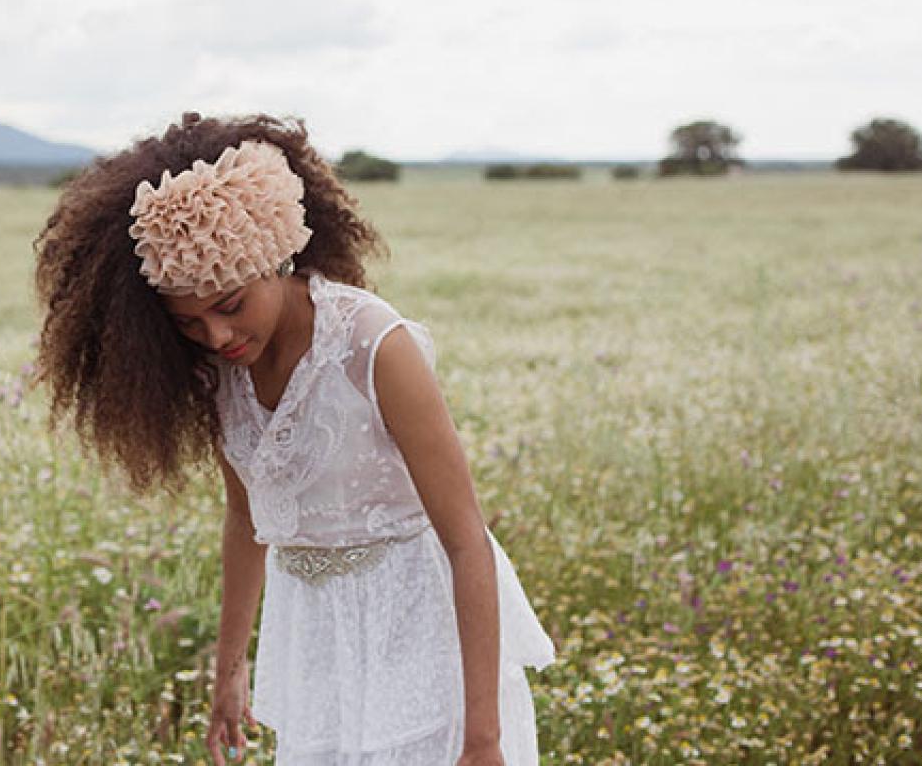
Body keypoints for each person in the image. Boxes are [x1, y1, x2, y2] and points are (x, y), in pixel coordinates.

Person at [32, 111, 556, 765]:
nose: (217, 337)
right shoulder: (220, 374)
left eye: (229, 306)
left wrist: (483, 739)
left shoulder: (375, 346)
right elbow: (245, 515)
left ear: (279, 260)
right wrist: (229, 671)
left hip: (420, 635)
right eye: (189, 323)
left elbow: (465, 540)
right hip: (315, 641)